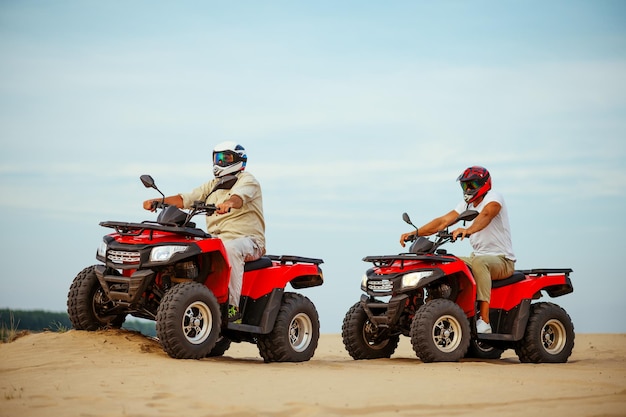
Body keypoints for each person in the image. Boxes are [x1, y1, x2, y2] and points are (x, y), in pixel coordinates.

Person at [143, 141, 265, 322]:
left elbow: (239, 197)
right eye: (218, 158)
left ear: (239, 160)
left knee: (231, 249)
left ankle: (233, 308)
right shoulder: (213, 185)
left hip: (249, 241)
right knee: (187, 248)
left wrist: (228, 204)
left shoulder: (247, 180)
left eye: (226, 158)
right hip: (217, 239)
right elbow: (187, 198)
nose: (220, 162)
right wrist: (158, 201)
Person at [399, 166, 515, 334]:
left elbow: (486, 215)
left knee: (480, 263)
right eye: (464, 186)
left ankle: (484, 321)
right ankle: (437, 308)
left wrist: (468, 230)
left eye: (472, 185)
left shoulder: (494, 198)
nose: (468, 189)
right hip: (477, 257)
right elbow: (442, 221)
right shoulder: (466, 205)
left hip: (502, 260)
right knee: (448, 263)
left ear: (484, 184)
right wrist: (415, 233)